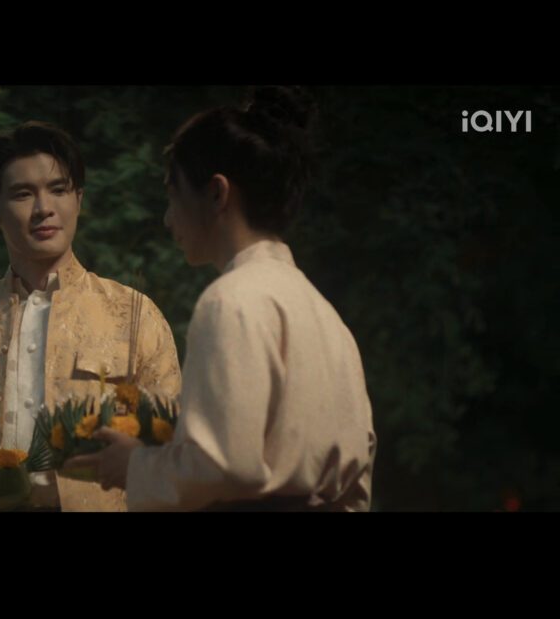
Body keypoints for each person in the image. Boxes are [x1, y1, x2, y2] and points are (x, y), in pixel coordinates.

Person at [68, 87, 377, 511]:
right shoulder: (327, 317)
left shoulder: (231, 301)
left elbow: (223, 465)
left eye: (173, 194)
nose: (168, 218)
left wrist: (134, 464)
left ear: (216, 193)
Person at [0, 121, 181, 511]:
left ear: (79, 199)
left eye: (58, 190)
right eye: (23, 194)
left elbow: (171, 457)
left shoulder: (135, 316)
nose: (44, 209)